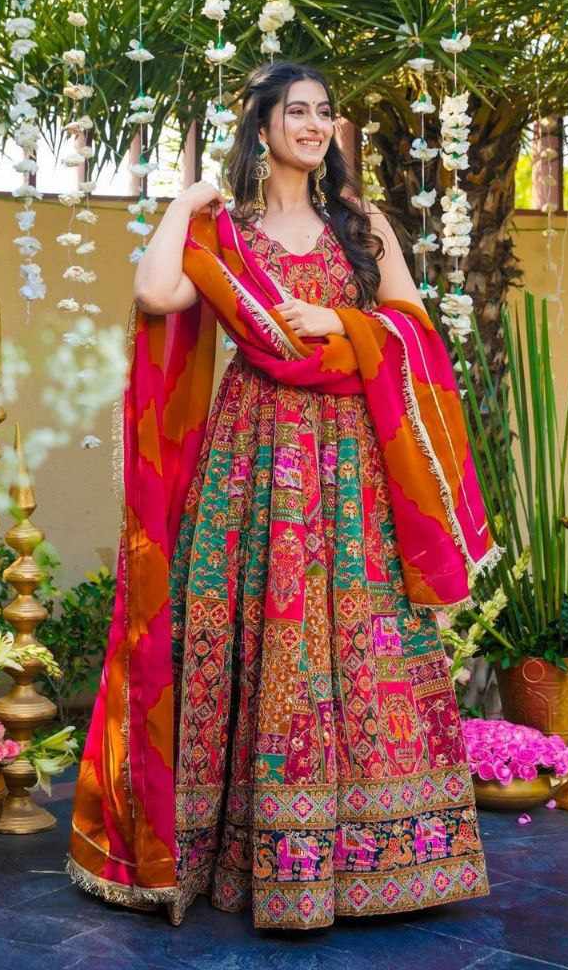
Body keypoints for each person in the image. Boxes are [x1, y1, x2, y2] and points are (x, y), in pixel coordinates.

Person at [68, 60, 497, 931]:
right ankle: (235, 853)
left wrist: (340, 322)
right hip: (252, 456)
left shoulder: (362, 225)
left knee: (359, 633)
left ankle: (377, 855)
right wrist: (185, 203)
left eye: (323, 112)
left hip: (350, 464)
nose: (313, 124)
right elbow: (155, 294)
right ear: (261, 128)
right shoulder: (225, 233)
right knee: (247, 631)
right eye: (295, 111)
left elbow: (415, 330)